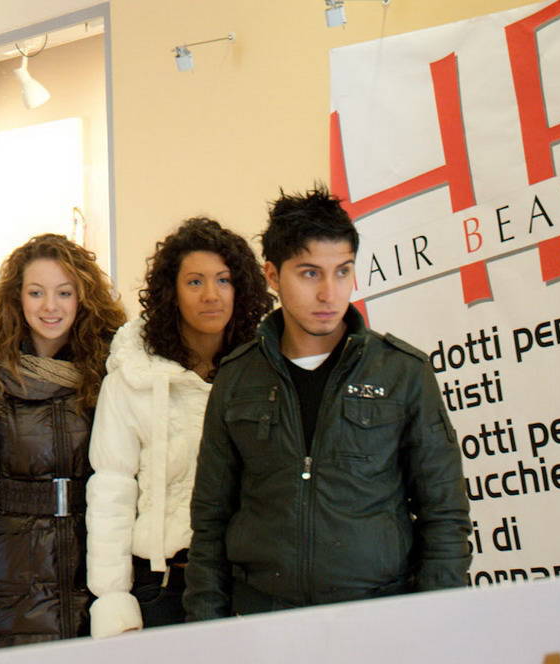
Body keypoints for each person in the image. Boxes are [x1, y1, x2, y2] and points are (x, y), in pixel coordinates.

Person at [184, 185, 472, 620]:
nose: (329, 293)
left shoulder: (403, 372)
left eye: (342, 272)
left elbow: (445, 515)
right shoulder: (237, 376)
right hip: (264, 618)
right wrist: (207, 628)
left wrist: (438, 621)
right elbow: (210, 520)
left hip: (377, 615)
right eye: (310, 273)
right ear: (272, 275)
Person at [85, 218, 273, 638]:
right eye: (195, 282)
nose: (211, 295)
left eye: (223, 280)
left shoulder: (263, 372)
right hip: (164, 585)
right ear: (172, 292)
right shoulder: (134, 377)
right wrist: (112, 599)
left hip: (248, 583)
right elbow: (111, 491)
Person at [0, 234, 127, 652]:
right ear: (17, 298)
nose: (50, 306)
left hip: (98, 567)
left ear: (82, 297)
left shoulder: (112, 371)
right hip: (15, 577)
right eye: (36, 292)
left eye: (64, 292)